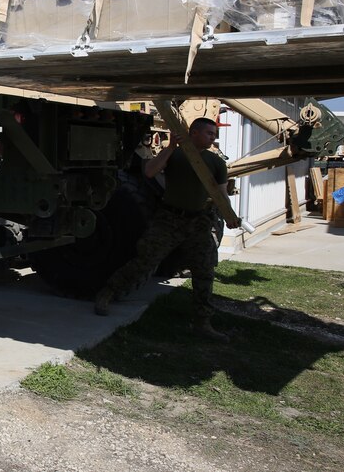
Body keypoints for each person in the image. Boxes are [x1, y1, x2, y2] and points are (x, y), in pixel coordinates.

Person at [93, 117, 241, 342]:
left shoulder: (216, 162)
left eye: (214, 134)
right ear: (195, 133)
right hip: (169, 219)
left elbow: (221, 193)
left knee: (204, 270)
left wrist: (230, 216)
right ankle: (108, 293)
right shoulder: (176, 155)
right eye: (209, 133)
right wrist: (171, 147)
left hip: (199, 222)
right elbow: (150, 172)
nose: (214, 138)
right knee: (145, 261)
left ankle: (202, 322)